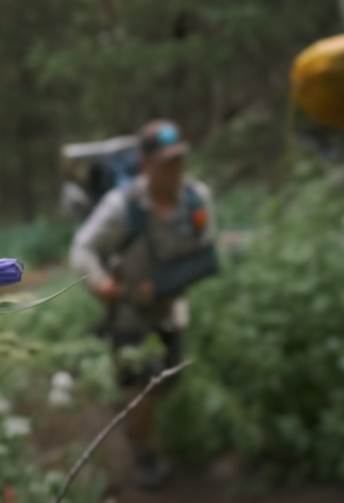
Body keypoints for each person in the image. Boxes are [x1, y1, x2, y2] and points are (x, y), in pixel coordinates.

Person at [69, 119, 217, 490]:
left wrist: (168, 283)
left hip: (172, 310)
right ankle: (142, 453)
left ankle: (139, 429)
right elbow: (83, 248)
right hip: (129, 311)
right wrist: (101, 283)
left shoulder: (197, 199)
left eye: (179, 160)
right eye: (166, 162)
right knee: (144, 384)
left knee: (168, 381)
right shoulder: (122, 207)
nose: (175, 170)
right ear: (147, 164)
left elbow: (205, 254)